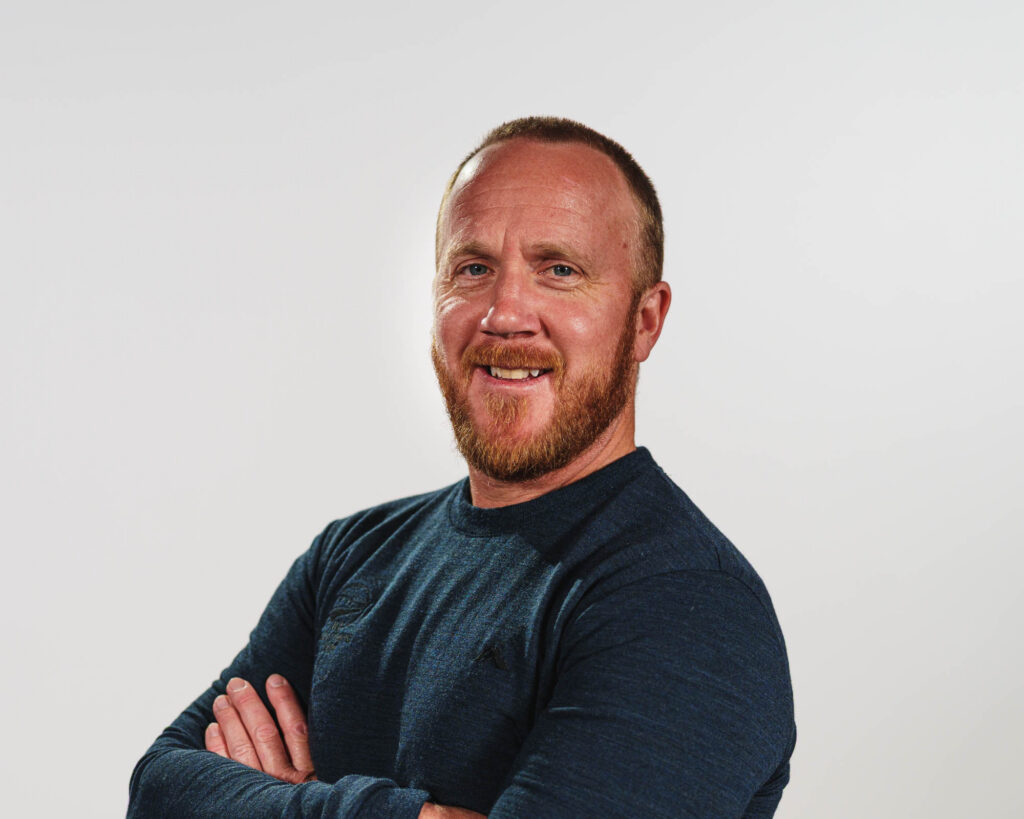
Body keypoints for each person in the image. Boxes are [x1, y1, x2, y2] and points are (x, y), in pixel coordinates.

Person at [127, 117, 796, 818]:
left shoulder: (686, 602)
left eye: (559, 269)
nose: (506, 314)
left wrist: (282, 803)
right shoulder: (350, 557)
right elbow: (158, 789)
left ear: (645, 320)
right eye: (473, 268)